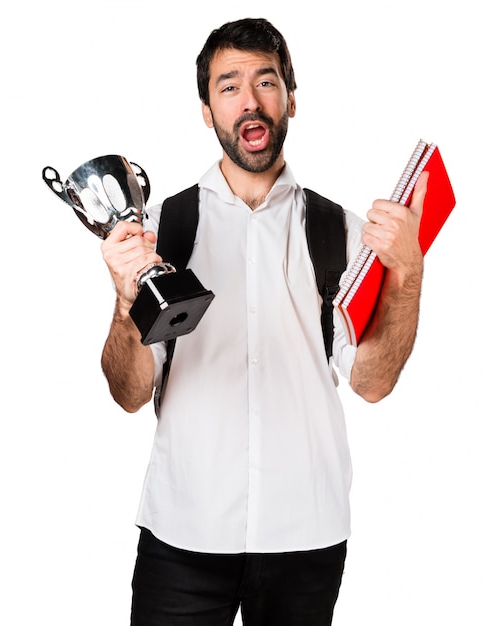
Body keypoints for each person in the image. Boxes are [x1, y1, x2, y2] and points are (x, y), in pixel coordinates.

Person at [101, 17, 427, 626]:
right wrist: (125, 306)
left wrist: (407, 278)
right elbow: (127, 393)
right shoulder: (163, 232)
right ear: (206, 110)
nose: (249, 101)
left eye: (265, 81)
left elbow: (373, 382)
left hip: (305, 537)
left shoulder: (343, 234)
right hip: (183, 536)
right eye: (228, 86)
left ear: (291, 98)